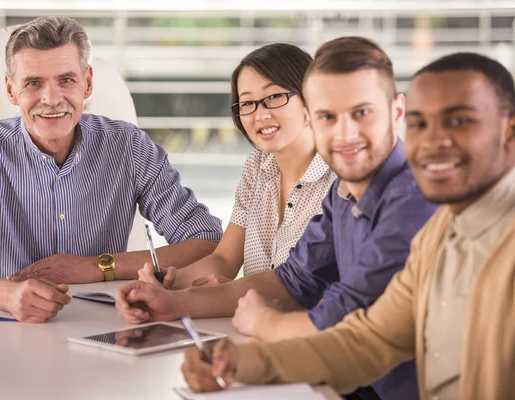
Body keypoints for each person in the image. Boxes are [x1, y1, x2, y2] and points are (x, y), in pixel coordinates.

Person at [117, 37, 439, 400]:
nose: (344, 132)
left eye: (361, 112)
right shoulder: (345, 189)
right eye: (328, 116)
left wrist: (263, 322)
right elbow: (292, 280)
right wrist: (173, 303)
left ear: (398, 112)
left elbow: (343, 317)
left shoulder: (413, 197)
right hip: (340, 378)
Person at [180, 51, 515, 400]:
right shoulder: (438, 232)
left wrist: (261, 327)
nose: (433, 142)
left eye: (460, 121)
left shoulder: (423, 209)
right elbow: (371, 340)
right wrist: (238, 363)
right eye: (419, 124)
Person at [0, 16, 222, 323]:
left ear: (87, 83)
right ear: (10, 90)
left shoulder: (129, 146)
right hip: (4, 325)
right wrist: (8, 296)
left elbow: (207, 240)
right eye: (33, 83)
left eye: (66, 80)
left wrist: (97, 266)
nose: (51, 99)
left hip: (105, 325)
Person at [137, 43, 336, 290]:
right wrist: (169, 282)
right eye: (247, 103)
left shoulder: (340, 179)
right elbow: (225, 259)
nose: (260, 115)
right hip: (247, 321)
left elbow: (316, 287)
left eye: (274, 97)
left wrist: (236, 291)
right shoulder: (257, 164)